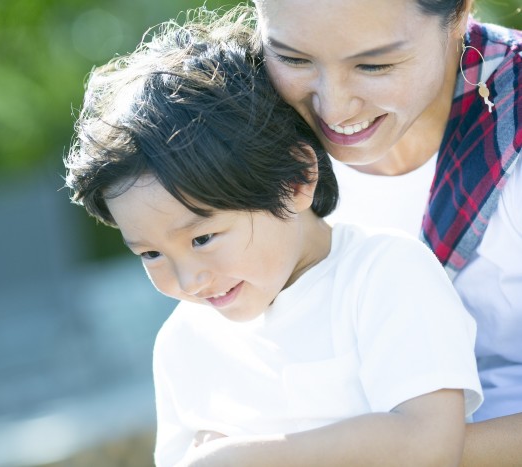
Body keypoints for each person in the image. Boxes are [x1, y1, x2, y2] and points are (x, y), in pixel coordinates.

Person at [65, 10, 483, 466]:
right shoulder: (183, 343)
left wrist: (251, 457)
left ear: (296, 180)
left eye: (202, 239)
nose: (188, 281)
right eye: (150, 253)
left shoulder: (385, 276)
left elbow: (430, 443)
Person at [251, 0, 521, 463]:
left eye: (374, 65)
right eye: (293, 59)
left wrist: (323, 456)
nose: (334, 107)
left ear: (460, 13)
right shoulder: (248, 132)